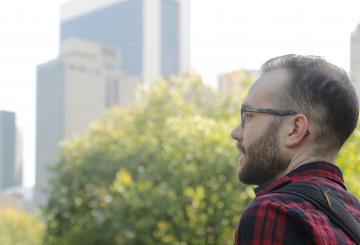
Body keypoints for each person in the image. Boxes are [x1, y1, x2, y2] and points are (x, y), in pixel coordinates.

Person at [231, 54, 360, 244]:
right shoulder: (354, 214)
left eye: (248, 116)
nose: (236, 132)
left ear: (295, 129)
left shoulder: (273, 213)